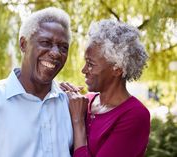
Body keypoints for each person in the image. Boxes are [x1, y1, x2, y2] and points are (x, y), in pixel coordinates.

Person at [0, 7, 73, 157]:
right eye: (46, 42)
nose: (55, 53)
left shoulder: (69, 103)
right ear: (23, 44)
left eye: (63, 47)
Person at [60, 19, 150, 157]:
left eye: (90, 64)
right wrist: (59, 94)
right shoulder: (85, 102)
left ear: (117, 69)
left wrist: (78, 122)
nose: (83, 70)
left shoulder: (135, 115)